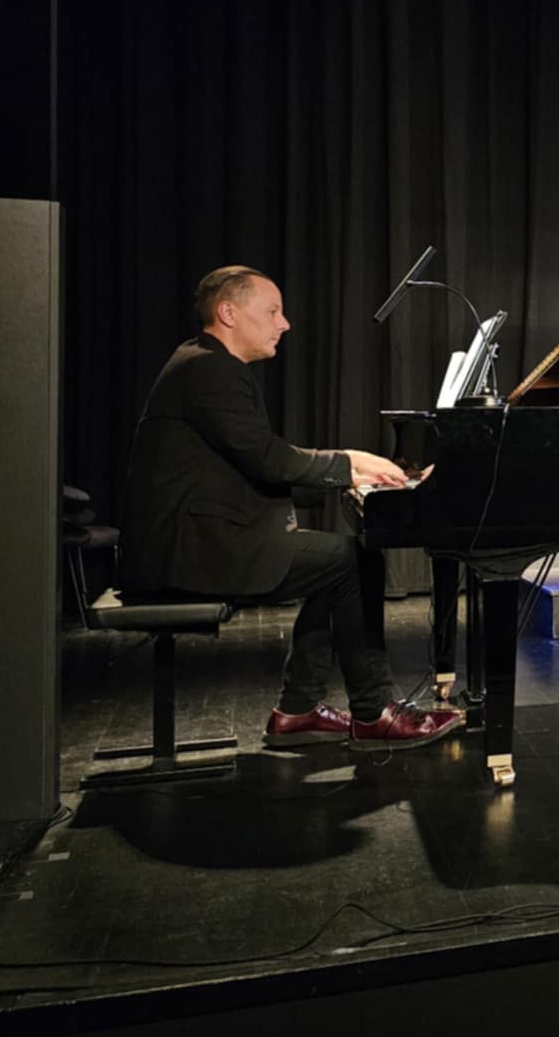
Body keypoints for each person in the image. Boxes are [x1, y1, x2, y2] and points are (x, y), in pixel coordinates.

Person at [119, 265, 462, 750]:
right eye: (273, 311)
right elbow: (268, 459)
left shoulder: (204, 363)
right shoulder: (208, 369)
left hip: (190, 541)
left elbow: (250, 467)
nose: (284, 323)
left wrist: (355, 474)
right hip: (187, 552)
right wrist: (350, 464)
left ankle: (299, 710)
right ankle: (372, 712)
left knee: (336, 561)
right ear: (228, 312)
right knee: (351, 561)